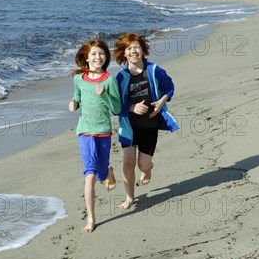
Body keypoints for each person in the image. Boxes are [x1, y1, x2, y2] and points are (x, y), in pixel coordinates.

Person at [114, 33, 179, 210]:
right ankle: (129, 198)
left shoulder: (154, 70)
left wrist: (161, 102)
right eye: (129, 48)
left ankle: (148, 170)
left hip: (150, 126)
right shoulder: (120, 78)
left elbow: (169, 87)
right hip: (129, 127)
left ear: (142, 50)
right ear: (124, 54)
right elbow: (115, 106)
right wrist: (131, 108)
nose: (133, 51)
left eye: (136, 47)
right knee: (128, 163)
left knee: (143, 165)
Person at [69, 39, 121, 233]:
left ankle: (108, 172)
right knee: (89, 176)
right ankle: (91, 219)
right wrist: (73, 104)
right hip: (85, 131)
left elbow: (116, 109)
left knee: (100, 172)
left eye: (101, 54)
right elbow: (77, 98)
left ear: (106, 57)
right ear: (86, 57)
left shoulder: (109, 80)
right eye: (94, 54)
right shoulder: (79, 79)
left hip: (104, 132)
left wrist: (104, 95)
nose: (98, 57)